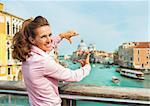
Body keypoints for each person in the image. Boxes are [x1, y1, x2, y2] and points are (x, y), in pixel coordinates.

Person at [12, 16, 91, 106]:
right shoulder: (43, 62)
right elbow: (73, 76)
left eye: (50, 35)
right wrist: (87, 66)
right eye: (43, 36)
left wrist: (61, 36)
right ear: (32, 40)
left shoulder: (28, 55)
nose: (49, 40)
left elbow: (47, 46)